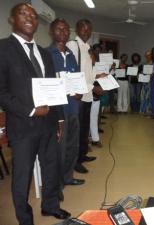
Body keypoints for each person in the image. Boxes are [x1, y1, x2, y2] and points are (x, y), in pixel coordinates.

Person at [0, 3, 70, 225]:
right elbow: (1, 91)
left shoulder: (44, 53)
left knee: (52, 167)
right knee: (22, 176)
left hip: (49, 123)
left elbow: (53, 87)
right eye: (23, 13)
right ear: (12, 19)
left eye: (33, 15)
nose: (30, 17)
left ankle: (50, 206)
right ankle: (25, 219)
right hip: (22, 126)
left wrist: (59, 119)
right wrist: (30, 110)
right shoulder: (3, 48)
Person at [47, 18, 85, 187]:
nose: (63, 32)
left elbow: (77, 79)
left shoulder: (71, 55)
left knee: (72, 146)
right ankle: (57, 184)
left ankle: (68, 177)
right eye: (58, 29)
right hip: (57, 112)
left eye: (65, 29)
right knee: (58, 150)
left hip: (73, 109)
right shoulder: (46, 54)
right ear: (51, 32)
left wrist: (79, 92)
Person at [67, 19, 102, 173]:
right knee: (76, 130)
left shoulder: (87, 47)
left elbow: (88, 72)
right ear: (77, 29)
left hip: (87, 95)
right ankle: (74, 161)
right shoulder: (73, 46)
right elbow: (74, 74)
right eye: (83, 29)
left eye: (89, 30)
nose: (86, 32)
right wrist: (92, 87)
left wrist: (98, 76)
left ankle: (82, 155)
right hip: (79, 96)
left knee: (84, 128)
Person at [140, 50, 152, 115]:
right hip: (144, 82)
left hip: (150, 82)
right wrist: (140, 74)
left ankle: (148, 110)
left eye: (149, 55)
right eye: (147, 55)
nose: (148, 56)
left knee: (148, 97)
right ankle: (142, 110)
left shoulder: (153, 63)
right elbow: (142, 72)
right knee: (143, 96)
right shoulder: (144, 63)